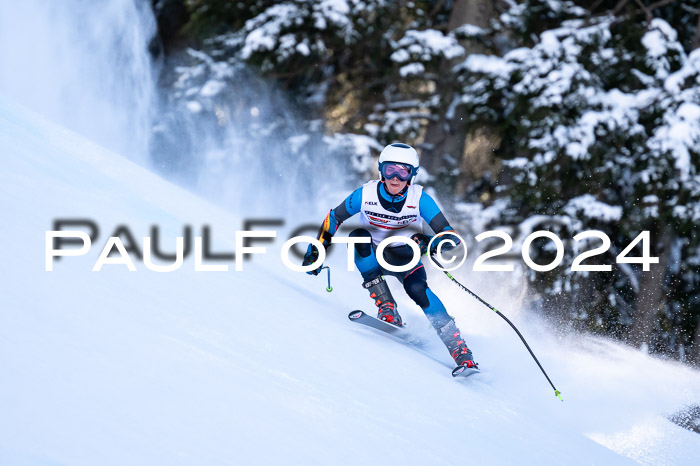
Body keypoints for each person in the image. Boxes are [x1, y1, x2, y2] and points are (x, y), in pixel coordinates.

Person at [302, 143, 478, 368]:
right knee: (358, 237)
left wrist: (430, 243)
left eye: (403, 171)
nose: (395, 178)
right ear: (381, 171)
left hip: (404, 256)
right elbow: (334, 217)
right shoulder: (365, 194)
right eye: (389, 170)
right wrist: (317, 250)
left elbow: (450, 236)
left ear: (412, 175)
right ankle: (387, 307)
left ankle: (459, 348)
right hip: (373, 256)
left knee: (417, 290)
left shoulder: (419, 198)